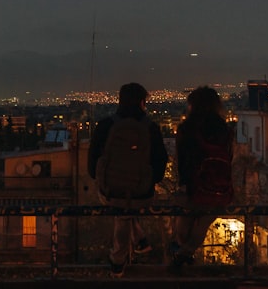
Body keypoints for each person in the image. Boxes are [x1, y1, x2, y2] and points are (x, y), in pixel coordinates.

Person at [88, 82, 168, 277]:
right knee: (128, 205)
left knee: (121, 208)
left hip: (109, 193)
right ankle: (136, 242)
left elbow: (92, 166)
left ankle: (118, 259)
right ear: (143, 102)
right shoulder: (151, 128)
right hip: (143, 194)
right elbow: (160, 164)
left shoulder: (106, 126)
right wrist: (148, 182)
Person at [170, 86, 233, 272]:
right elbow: (229, 158)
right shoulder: (224, 130)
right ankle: (186, 254)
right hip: (220, 188)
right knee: (206, 220)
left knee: (184, 222)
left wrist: (184, 183)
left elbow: (182, 161)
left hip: (193, 186)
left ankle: (181, 255)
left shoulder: (187, 129)